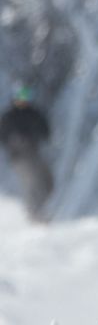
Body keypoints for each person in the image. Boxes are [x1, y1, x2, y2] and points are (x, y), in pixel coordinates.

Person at [0, 86, 55, 223]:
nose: (23, 101)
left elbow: (45, 129)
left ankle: (39, 209)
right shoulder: (10, 116)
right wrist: (14, 141)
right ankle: (34, 214)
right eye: (21, 98)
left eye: (26, 98)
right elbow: (3, 135)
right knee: (31, 183)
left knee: (47, 182)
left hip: (34, 154)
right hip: (19, 157)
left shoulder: (33, 113)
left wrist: (40, 134)